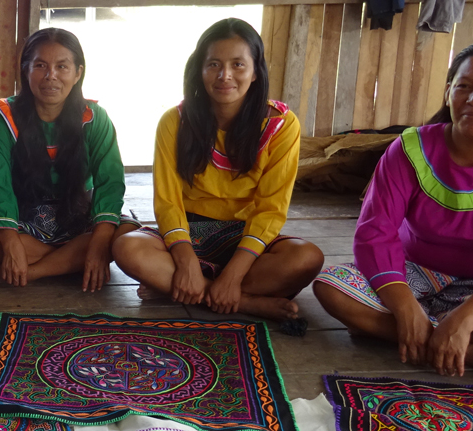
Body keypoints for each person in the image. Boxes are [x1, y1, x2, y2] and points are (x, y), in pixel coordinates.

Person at [313, 39, 473, 386]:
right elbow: (375, 232)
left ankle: (415, 334)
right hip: (413, 273)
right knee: (331, 287)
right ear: (449, 91)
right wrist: (405, 306)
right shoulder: (411, 147)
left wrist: (465, 320)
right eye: (463, 87)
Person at [112, 18, 323, 321]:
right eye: (213, 64)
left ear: (255, 71)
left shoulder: (281, 126)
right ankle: (243, 303)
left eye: (238, 64)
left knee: (306, 258)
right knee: (128, 247)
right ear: (199, 70)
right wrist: (185, 264)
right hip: (188, 232)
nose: (225, 76)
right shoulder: (175, 121)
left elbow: (271, 209)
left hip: (245, 237)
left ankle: (186, 289)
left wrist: (233, 276)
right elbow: (168, 202)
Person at [0, 28, 140, 291]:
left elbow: (111, 183)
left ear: (78, 72)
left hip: (79, 211)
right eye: (41, 65)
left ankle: (27, 273)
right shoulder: (4, 116)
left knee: (126, 234)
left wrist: (99, 243)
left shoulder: (94, 117)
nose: (51, 76)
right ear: (25, 70)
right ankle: (70, 263)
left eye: (62, 66)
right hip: (24, 214)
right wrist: (11, 243)